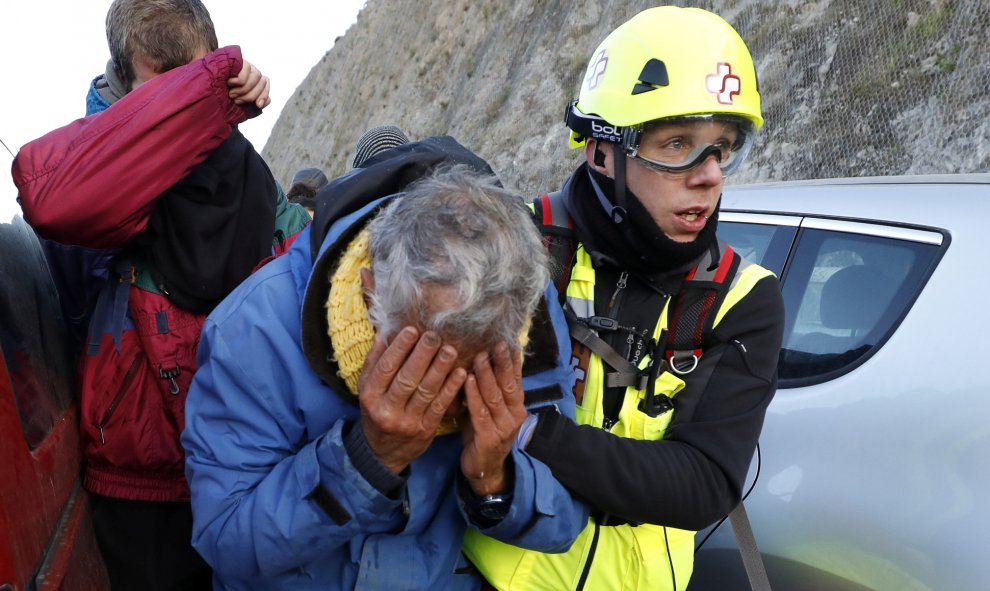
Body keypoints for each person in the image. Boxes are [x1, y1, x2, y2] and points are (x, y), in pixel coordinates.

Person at [463, 6, 785, 591]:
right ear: (602, 151)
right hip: (489, 574)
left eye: (722, 148)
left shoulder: (744, 300)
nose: (708, 174)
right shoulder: (519, 246)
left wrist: (532, 432)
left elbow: (705, 484)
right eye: (678, 143)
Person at [180, 155, 587, 589]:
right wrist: (366, 460)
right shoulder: (250, 332)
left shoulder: (518, 307)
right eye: (428, 355)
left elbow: (564, 521)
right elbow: (227, 545)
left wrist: (494, 478)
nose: (449, 395)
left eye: (474, 366)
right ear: (370, 292)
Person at [13, 1, 308, 588]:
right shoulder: (100, 196)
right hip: (141, 493)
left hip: (246, 472)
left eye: (191, 82)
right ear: (122, 84)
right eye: (160, 86)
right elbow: (51, 193)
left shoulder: (253, 182)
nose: (181, 103)